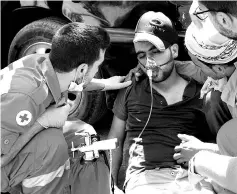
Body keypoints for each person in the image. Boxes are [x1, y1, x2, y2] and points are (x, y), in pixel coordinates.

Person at [0, 22, 132, 194]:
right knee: (50, 146)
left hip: (14, 136)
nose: (98, 69)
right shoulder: (25, 97)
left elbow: (73, 81)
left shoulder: (43, 64)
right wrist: (43, 122)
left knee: (83, 134)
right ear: (82, 69)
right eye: (98, 66)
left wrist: (105, 84)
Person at [108, 11, 216, 194]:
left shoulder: (202, 91)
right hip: (145, 180)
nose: (149, 63)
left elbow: (223, 141)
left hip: (192, 178)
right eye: (141, 56)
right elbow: (114, 141)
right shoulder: (131, 88)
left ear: (174, 50)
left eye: (155, 52)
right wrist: (108, 184)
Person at [173, 1, 237, 193]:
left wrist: (201, 158)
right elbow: (198, 70)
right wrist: (170, 64)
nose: (202, 73)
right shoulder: (226, 64)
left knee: (227, 136)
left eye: (201, 66)